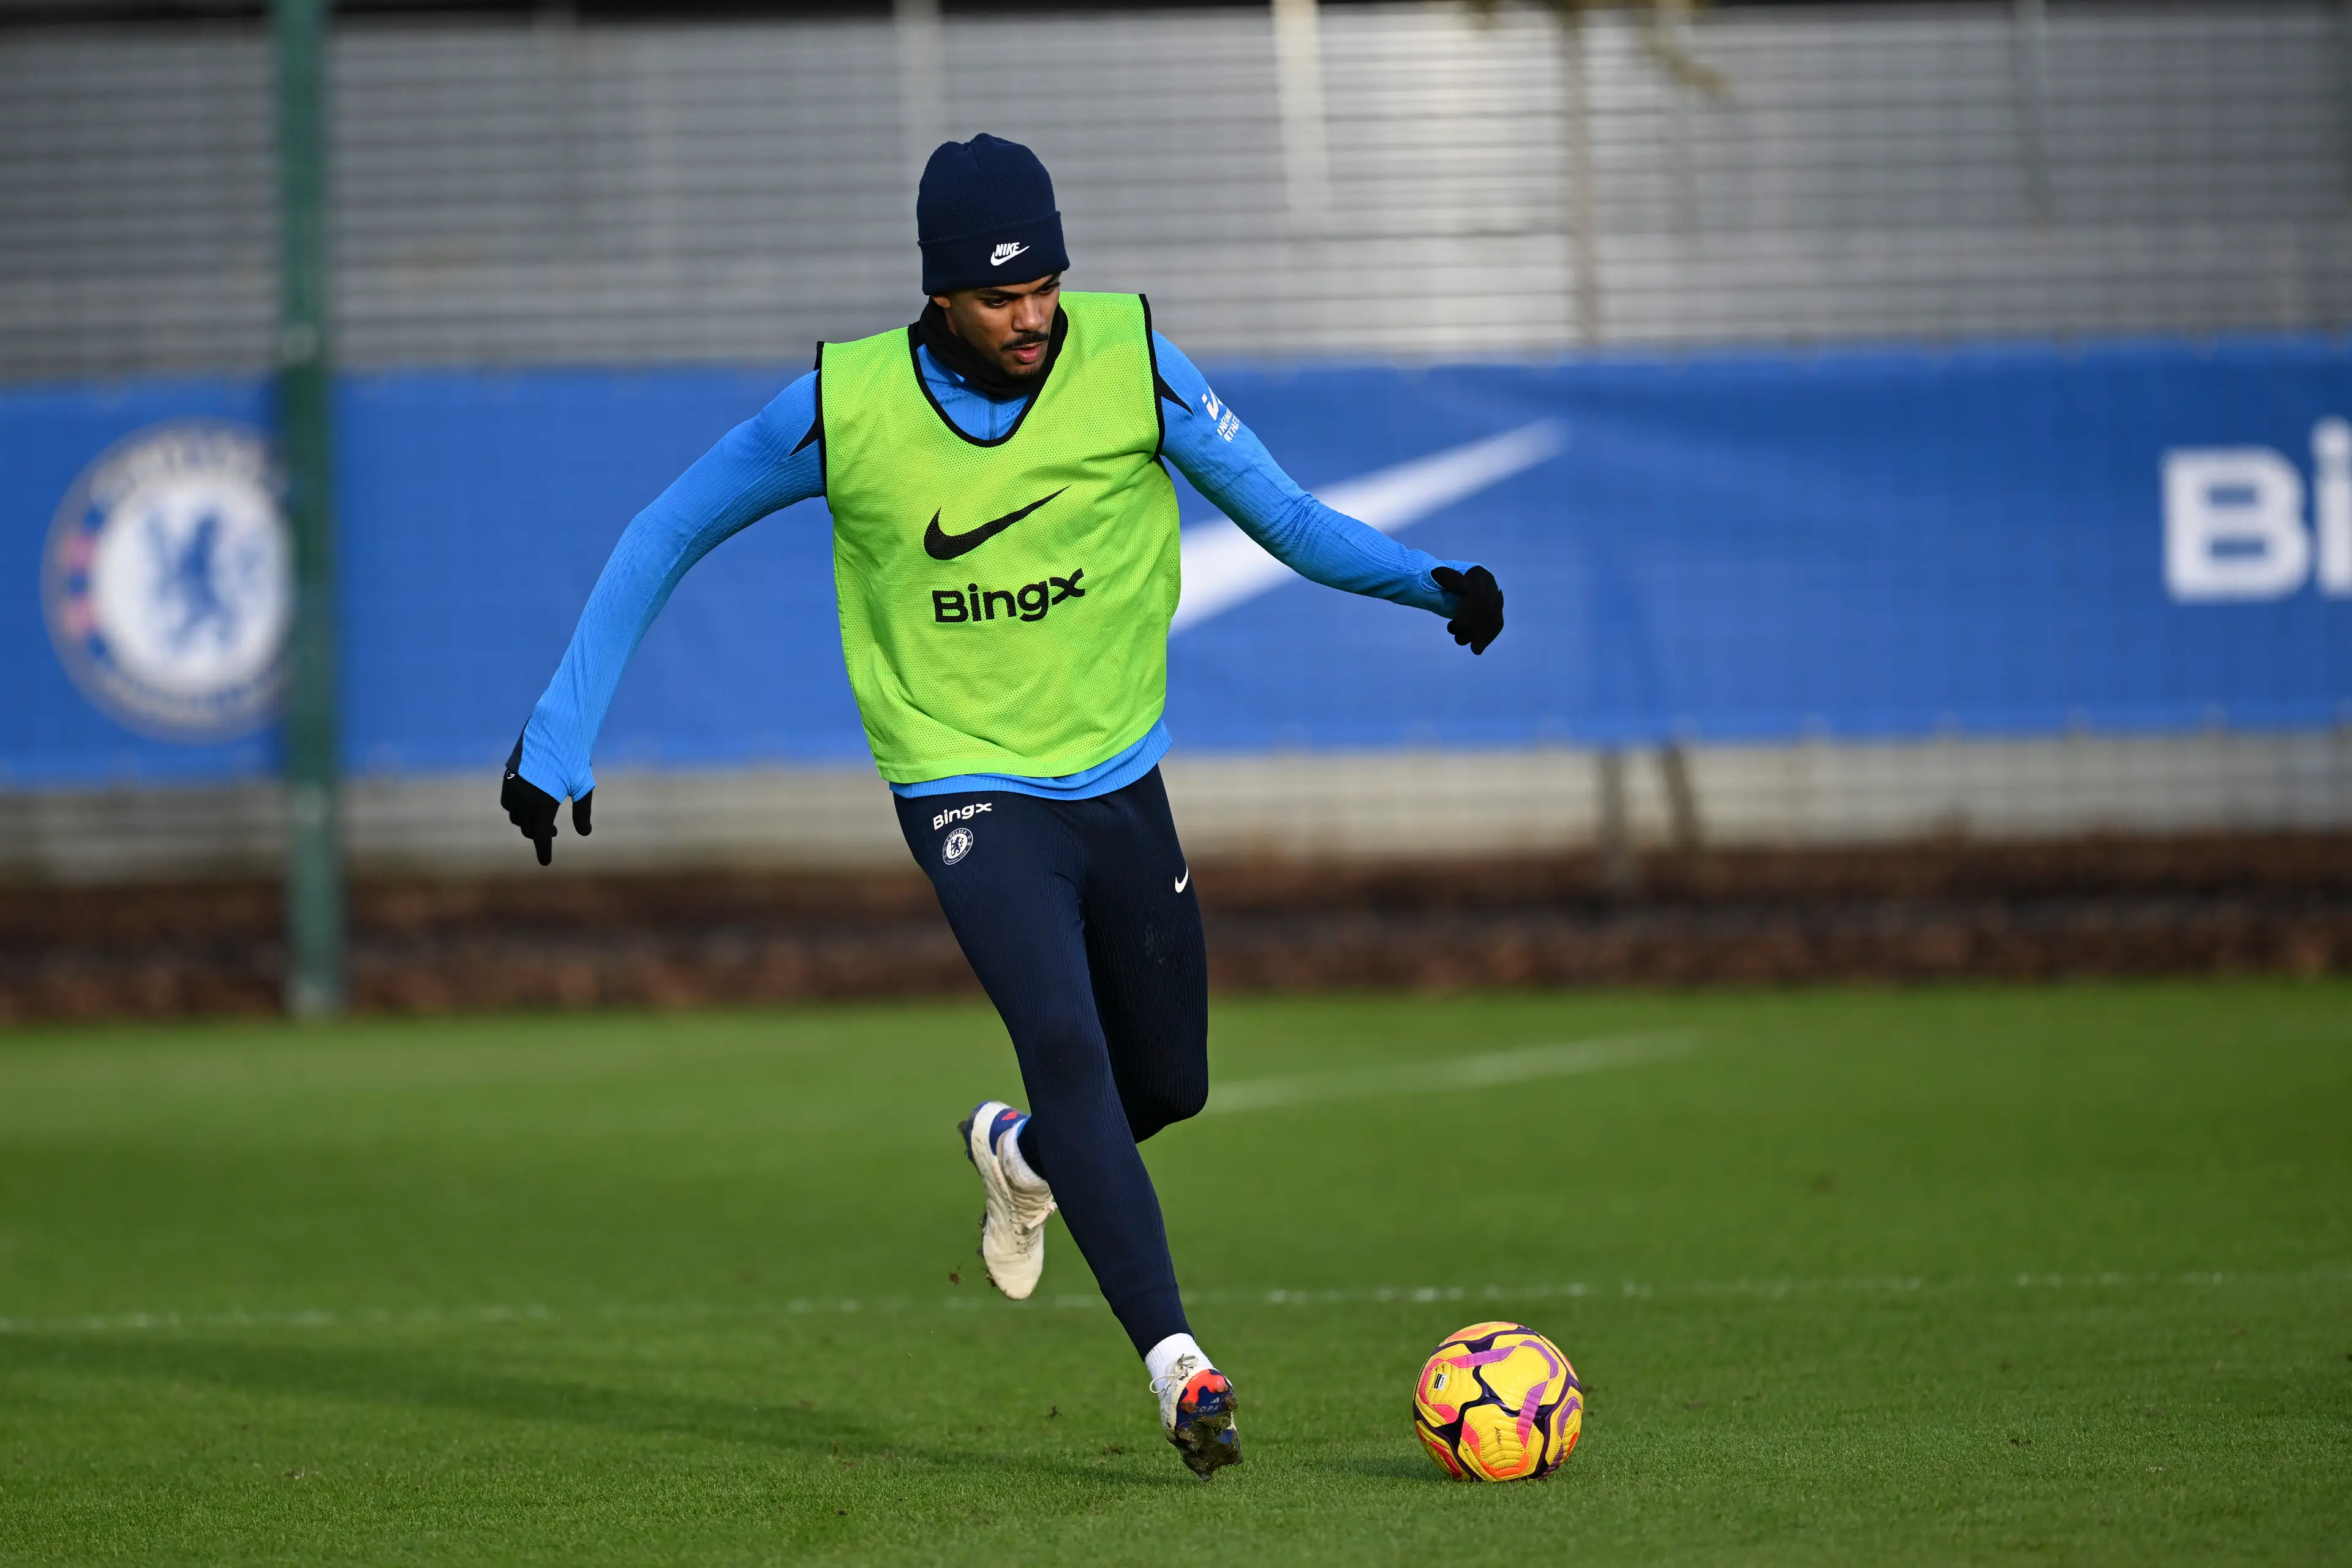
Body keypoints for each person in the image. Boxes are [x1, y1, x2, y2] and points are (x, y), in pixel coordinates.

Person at [500, 133, 1504, 1480]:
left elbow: (1283, 512)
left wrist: (1432, 584)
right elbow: (665, 530)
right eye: (999, 296)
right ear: (938, 295)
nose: (1033, 317)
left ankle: (1019, 1155)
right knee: (1067, 1044)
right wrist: (559, 734)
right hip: (962, 781)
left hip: (1117, 774)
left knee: (1167, 1085)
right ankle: (1178, 1367)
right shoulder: (843, 404)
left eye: (1046, 284)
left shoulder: (1132, 358)